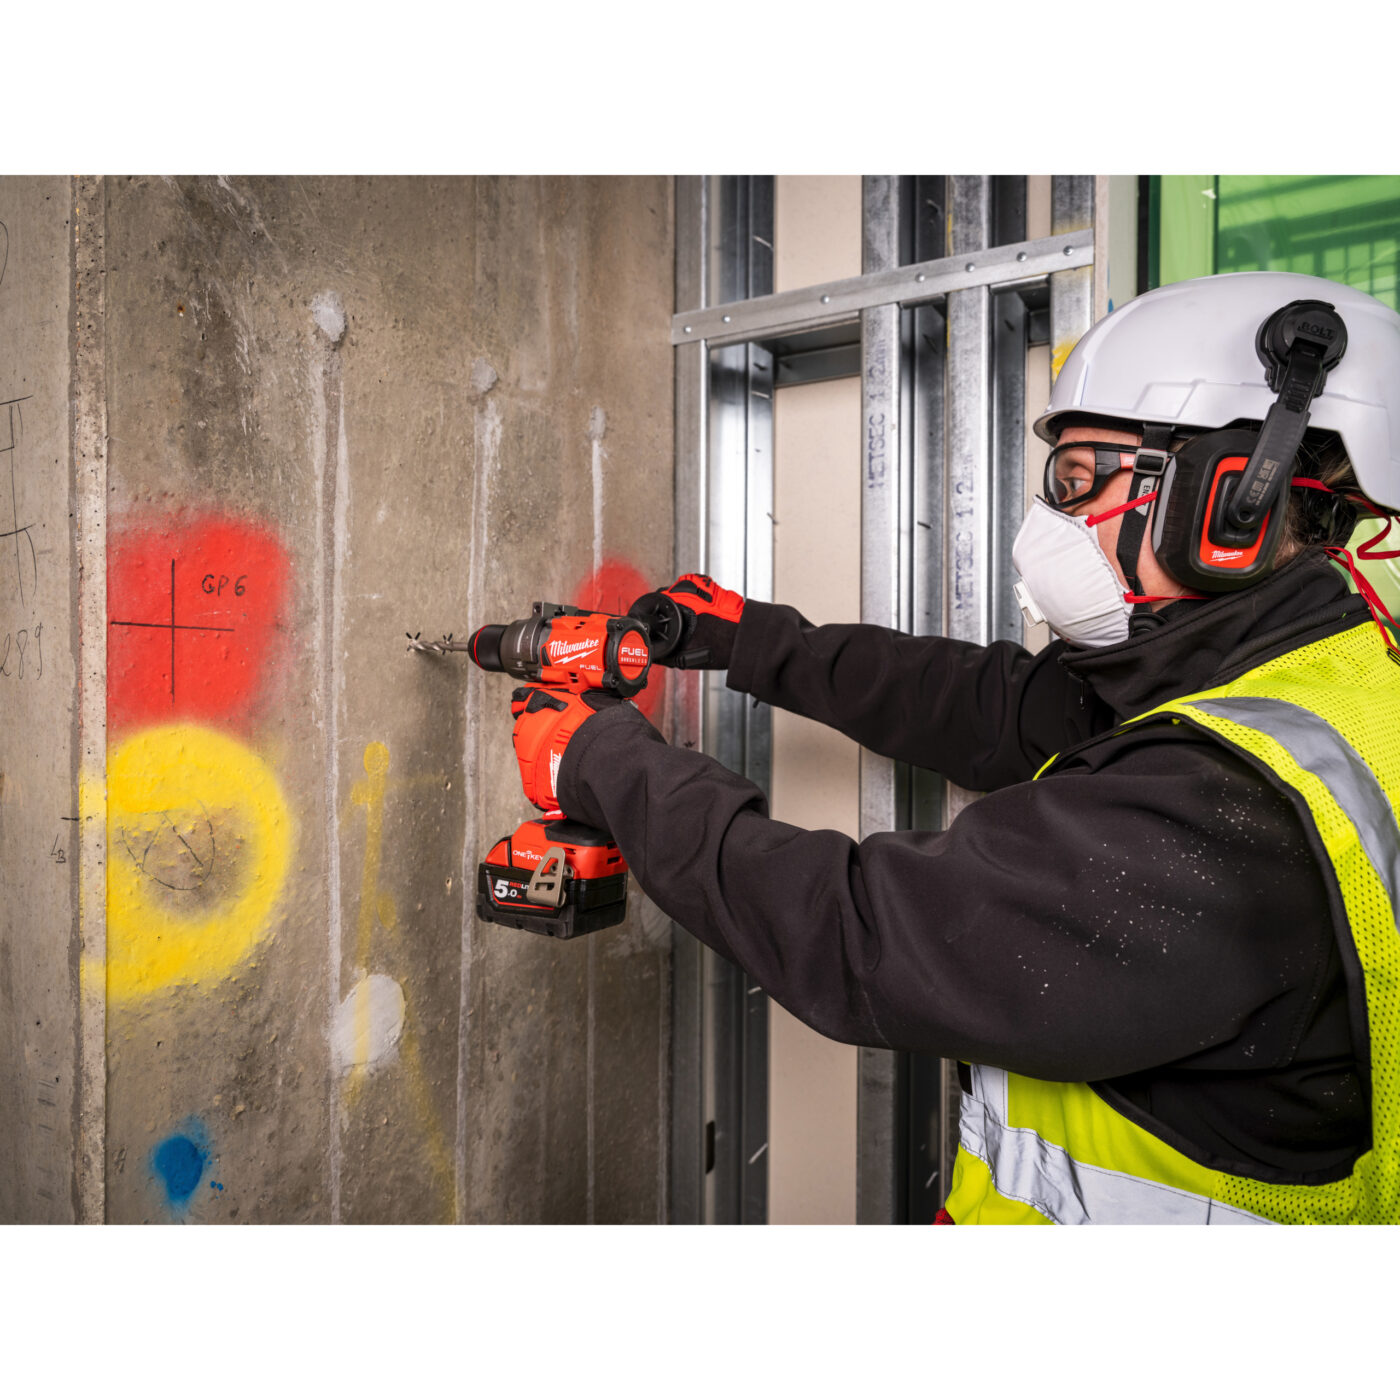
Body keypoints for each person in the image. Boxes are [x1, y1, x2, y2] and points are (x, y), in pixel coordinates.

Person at [507, 271, 1400, 1224]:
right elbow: (995, 707)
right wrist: (756, 641)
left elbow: (862, 936)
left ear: (1228, 508)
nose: (1048, 523)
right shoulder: (1304, 686)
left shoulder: (1233, 812)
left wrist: (599, 759)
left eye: (1077, 481)